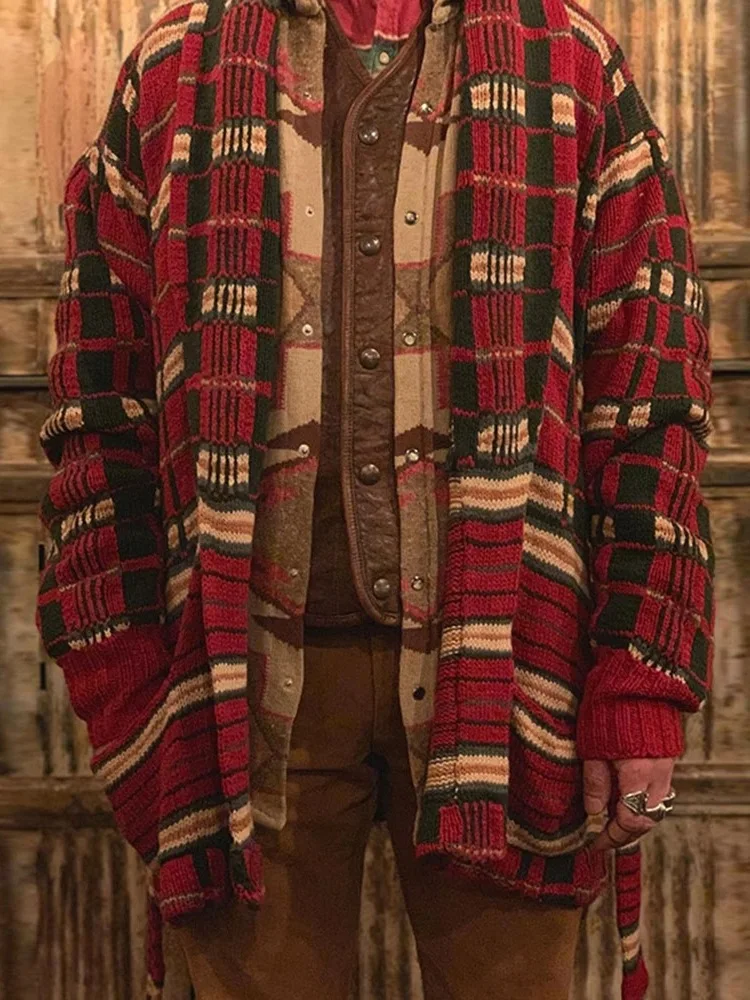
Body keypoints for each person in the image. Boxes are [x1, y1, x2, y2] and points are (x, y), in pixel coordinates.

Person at [34, 1, 714, 998]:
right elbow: (100, 398)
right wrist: (125, 685)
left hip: (515, 681)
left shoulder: (570, 63)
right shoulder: (175, 69)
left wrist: (640, 683)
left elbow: (650, 396)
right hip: (243, 690)